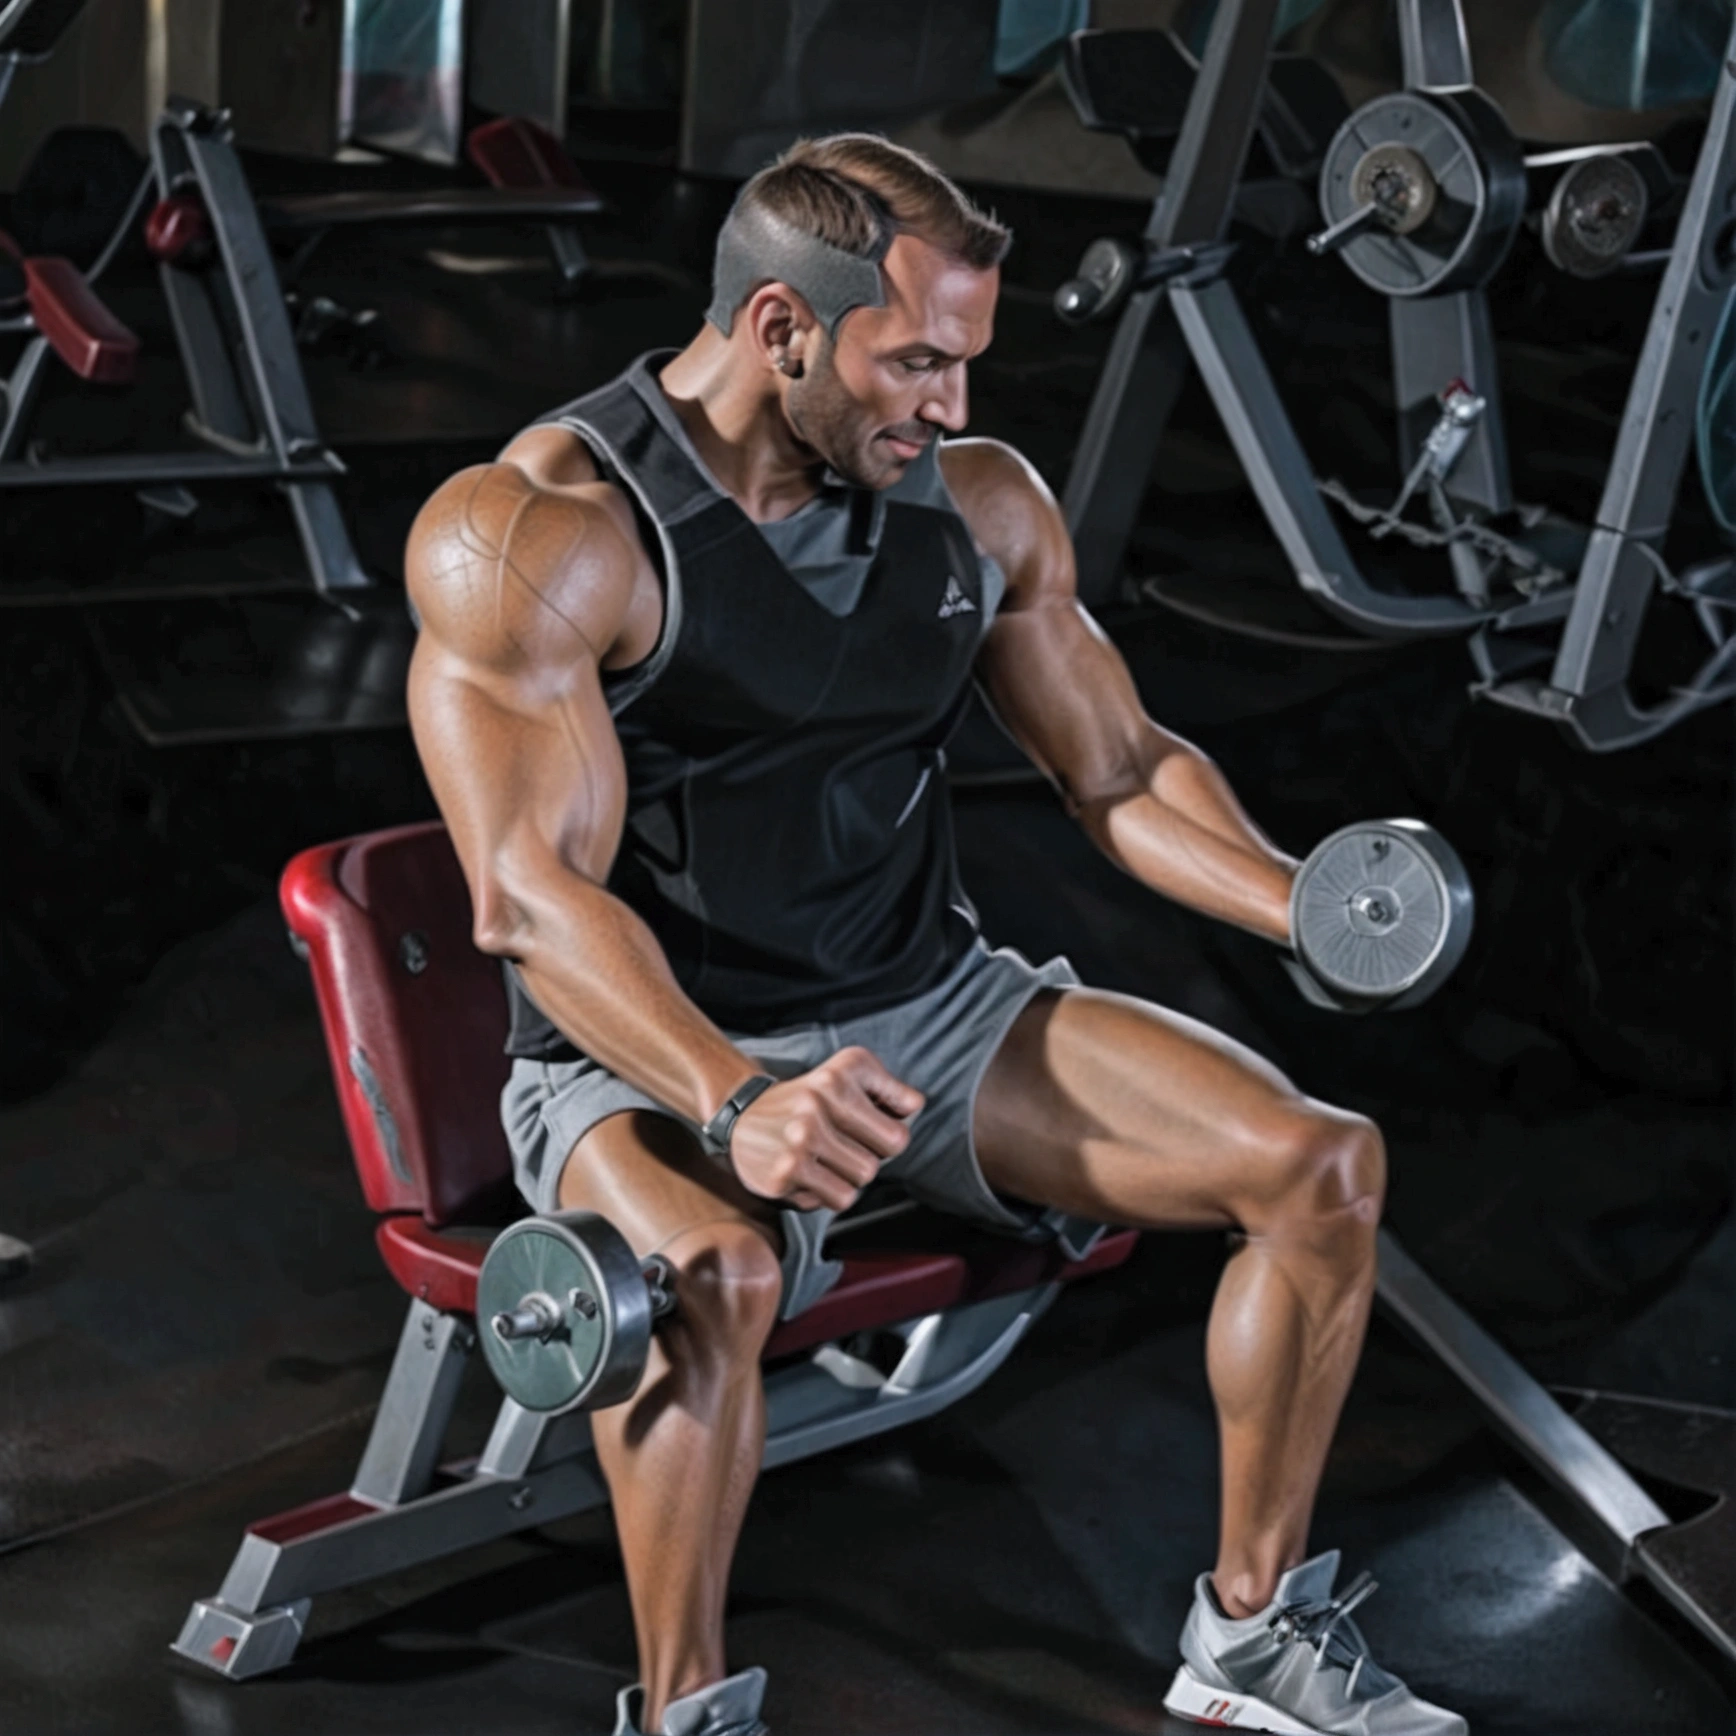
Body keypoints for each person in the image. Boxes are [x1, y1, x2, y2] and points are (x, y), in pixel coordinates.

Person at [405, 133, 1464, 1736]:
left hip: (927, 1010)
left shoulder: (972, 504)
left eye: (965, 361)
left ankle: (1248, 1646)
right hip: (649, 1053)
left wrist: (1302, 900)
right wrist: (739, 1099)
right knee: (715, 1278)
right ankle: (686, 1717)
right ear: (779, 329)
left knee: (1320, 1167)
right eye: (913, 360)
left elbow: (1116, 770)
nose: (952, 404)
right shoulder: (545, 537)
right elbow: (529, 900)